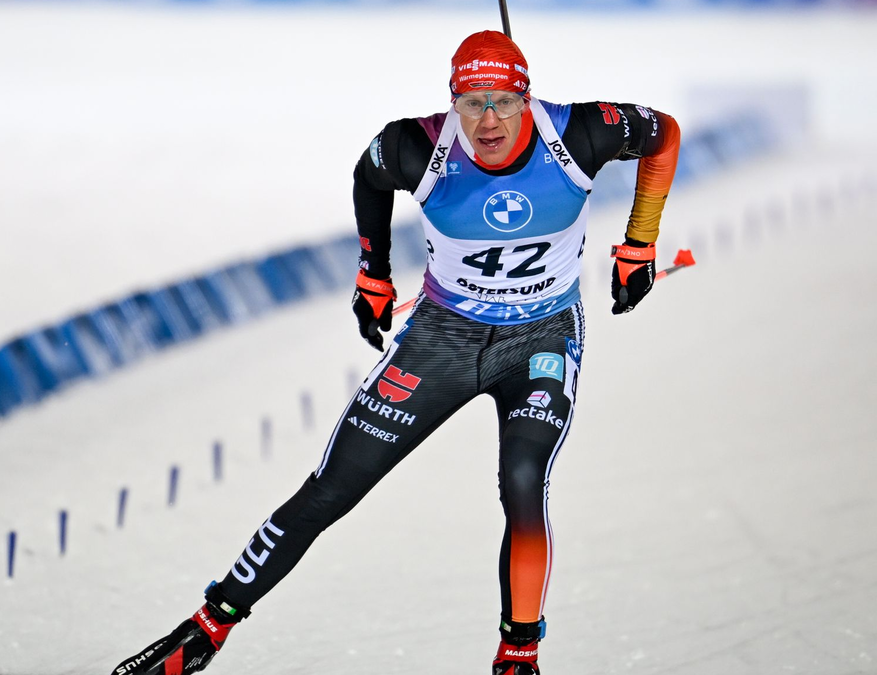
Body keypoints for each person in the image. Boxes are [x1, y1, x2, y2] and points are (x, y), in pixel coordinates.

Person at [110, 30, 679, 675]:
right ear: (452, 101)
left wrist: (641, 241)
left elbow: (664, 136)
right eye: (471, 102)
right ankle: (208, 626)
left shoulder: (580, 133)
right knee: (333, 487)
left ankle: (518, 655)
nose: (486, 120)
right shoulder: (415, 145)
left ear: (526, 98)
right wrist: (372, 273)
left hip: (541, 340)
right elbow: (368, 176)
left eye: (501, 102)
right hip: (442, 337)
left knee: (523, 482)